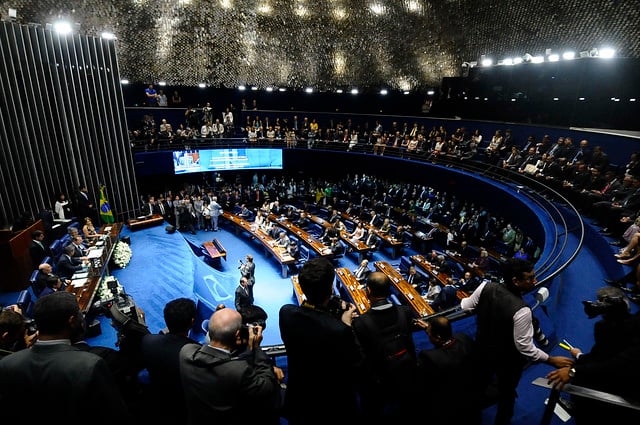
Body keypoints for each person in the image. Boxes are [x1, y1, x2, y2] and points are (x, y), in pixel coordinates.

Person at [460, 258, 573, 425]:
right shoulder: (522, 311)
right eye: (529, 277)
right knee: (507, 395)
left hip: (482, 350)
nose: (534, 280)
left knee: (479, 386)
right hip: (508, 361)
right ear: (516, 281)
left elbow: (465, 306)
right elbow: (525, 348)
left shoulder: (486, 287)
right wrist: (550, 359)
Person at [0, 292, 133, 423]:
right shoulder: (90, 365)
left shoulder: (6, 364)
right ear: (73, 321)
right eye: (80, 314)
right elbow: (116, 416)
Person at [279, 258, 361, 425]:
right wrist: (345, 324)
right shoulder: (339, 330)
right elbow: (354, 366)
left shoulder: (286, 313)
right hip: (331, 407)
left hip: (299, 400)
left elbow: (310, 318)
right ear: (331, 288)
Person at [546, 288, 640, 423]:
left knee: (580, 372)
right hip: (626, 377)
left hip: (620, 385)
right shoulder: (633, 322)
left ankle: (579, 407)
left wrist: (576, 365)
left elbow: (605, 362)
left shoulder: (604, 328)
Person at [179, 307, 283, 424]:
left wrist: (219, 322)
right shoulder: (238, 370)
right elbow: (267, 387)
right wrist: (256, 347)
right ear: (238, 335)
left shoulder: (186, 353)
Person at [352, 271, 421, 420]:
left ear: (368, 291)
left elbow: (361, 357)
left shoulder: (360, 323)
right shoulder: (406, 312)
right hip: (407, 375)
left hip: (379, 383)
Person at [140, 297, 199, 423]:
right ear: (192, 321)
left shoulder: (147, 341)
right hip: (185, 408)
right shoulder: (196, 353)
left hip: (155, 401)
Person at [415, 315, 481, 425]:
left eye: (430, 333)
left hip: (447, 407)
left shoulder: (429, 358)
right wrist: (430, 329)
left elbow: (423, 386)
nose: (428, 334)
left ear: (437, 337)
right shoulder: (464, 338)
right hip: (471, 399)